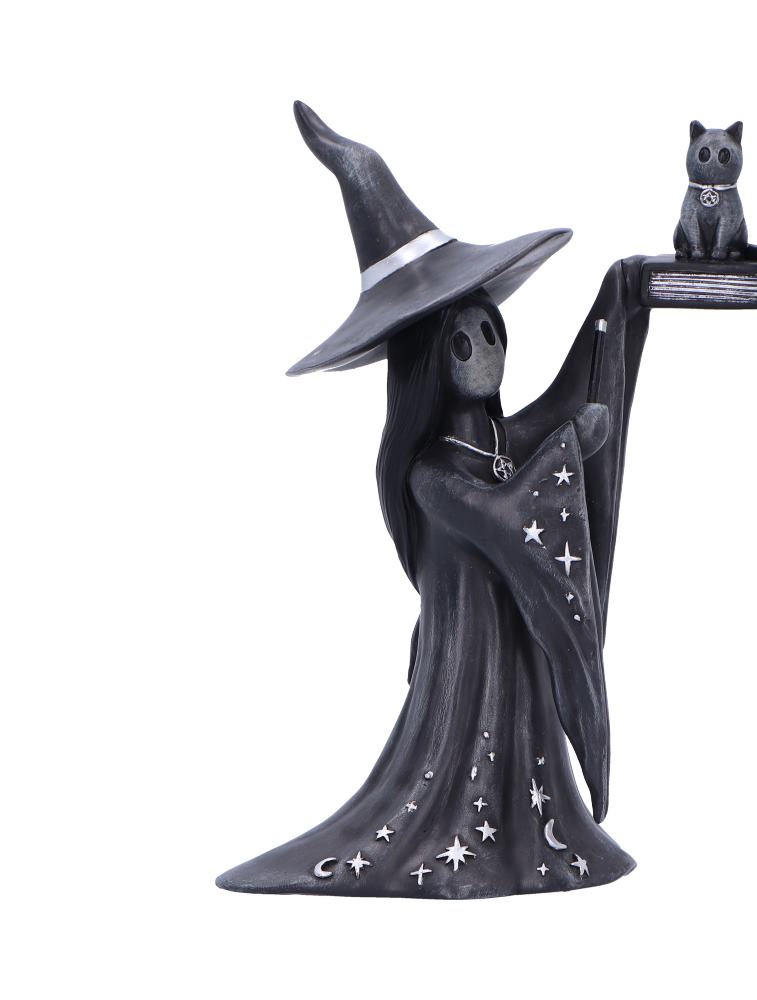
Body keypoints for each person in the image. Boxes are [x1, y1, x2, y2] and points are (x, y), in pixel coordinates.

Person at [216, 103, 650, 898]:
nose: (486, 354)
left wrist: (617, 304)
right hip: (468, 668)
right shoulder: (431, 475)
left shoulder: (495, 441)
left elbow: (561, 408)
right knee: (456, 780)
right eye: (463, 342)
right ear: (426, 362)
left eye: (491, 332)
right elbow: (508, 515)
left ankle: (541, 829)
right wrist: (568, 445)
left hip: (515, 660)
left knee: (527, 765)